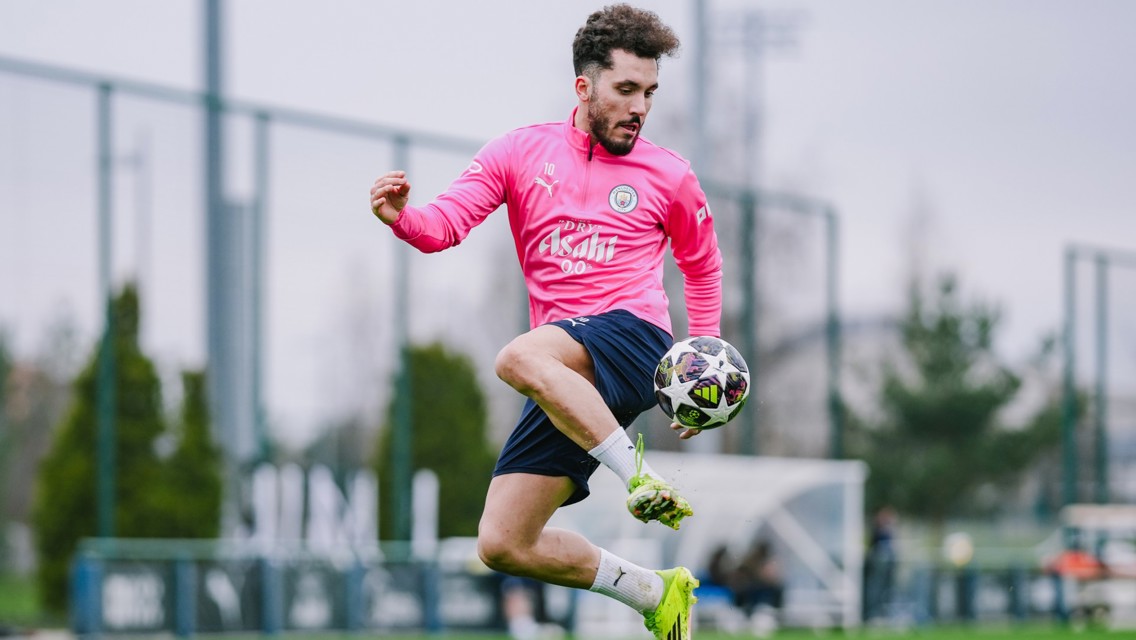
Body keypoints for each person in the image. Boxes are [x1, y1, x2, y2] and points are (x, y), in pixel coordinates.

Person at [369, 5, 723, 639]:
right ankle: (653, 593)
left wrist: (701, 363)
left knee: (515, 360)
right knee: (503, 542)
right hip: (566, 368)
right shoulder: (519, 151)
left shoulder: (670, 174)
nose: (640, 106)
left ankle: (637, 477)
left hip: (634, 339)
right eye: (626, 89)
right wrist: (401, 216)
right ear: (584, 87)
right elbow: (443, 226)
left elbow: (702, 266)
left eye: (649, 92)